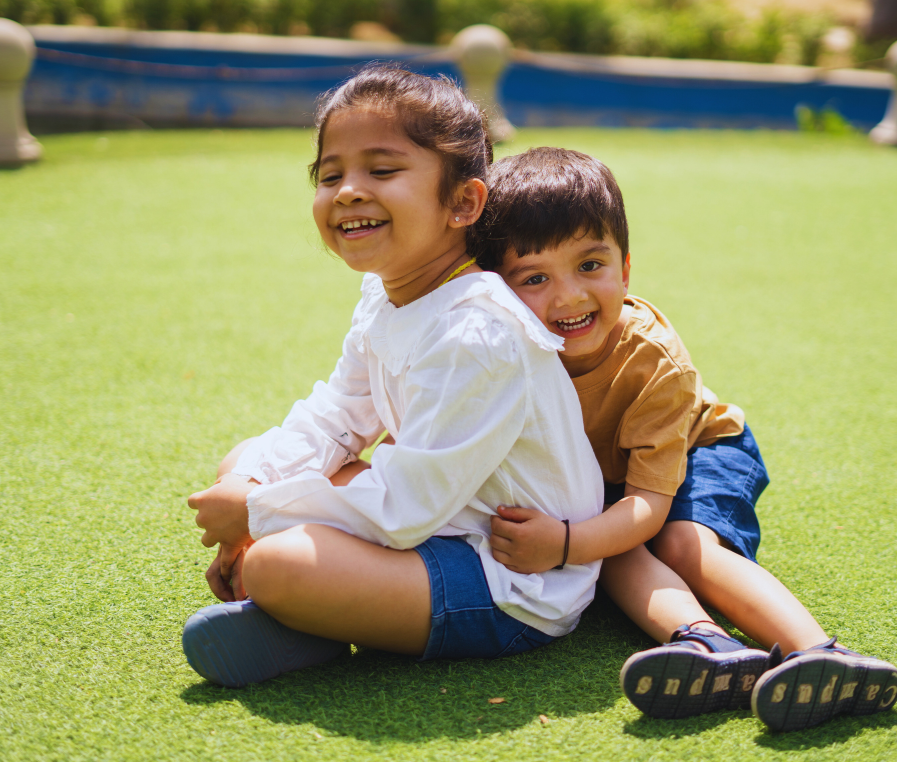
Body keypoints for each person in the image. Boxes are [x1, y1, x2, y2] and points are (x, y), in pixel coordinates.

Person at [182, 71, 604, 689]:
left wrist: (256, 515)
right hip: (440, 518)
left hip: (506, 577)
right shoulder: (385, 294)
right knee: (247, 458)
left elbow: (405, 509)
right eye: (330, 176)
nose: (349, 191)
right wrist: (253, 486)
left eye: (381, 171)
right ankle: (314, 618)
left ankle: (301, 608)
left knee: (276, 563)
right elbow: (339, 414)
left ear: (462, 203)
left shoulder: (477, 333)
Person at [472, 147, 897, 732]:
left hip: (704, 449)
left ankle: (819, 652)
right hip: (610, 480)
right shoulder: (492, 350)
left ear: (625, 269)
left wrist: (566, 544)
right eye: (536, 278)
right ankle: (711, 649)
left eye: (590, 266)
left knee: (680, 544)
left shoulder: (653, 361)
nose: (569, 296)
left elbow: (647, 508)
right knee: (613, 547)